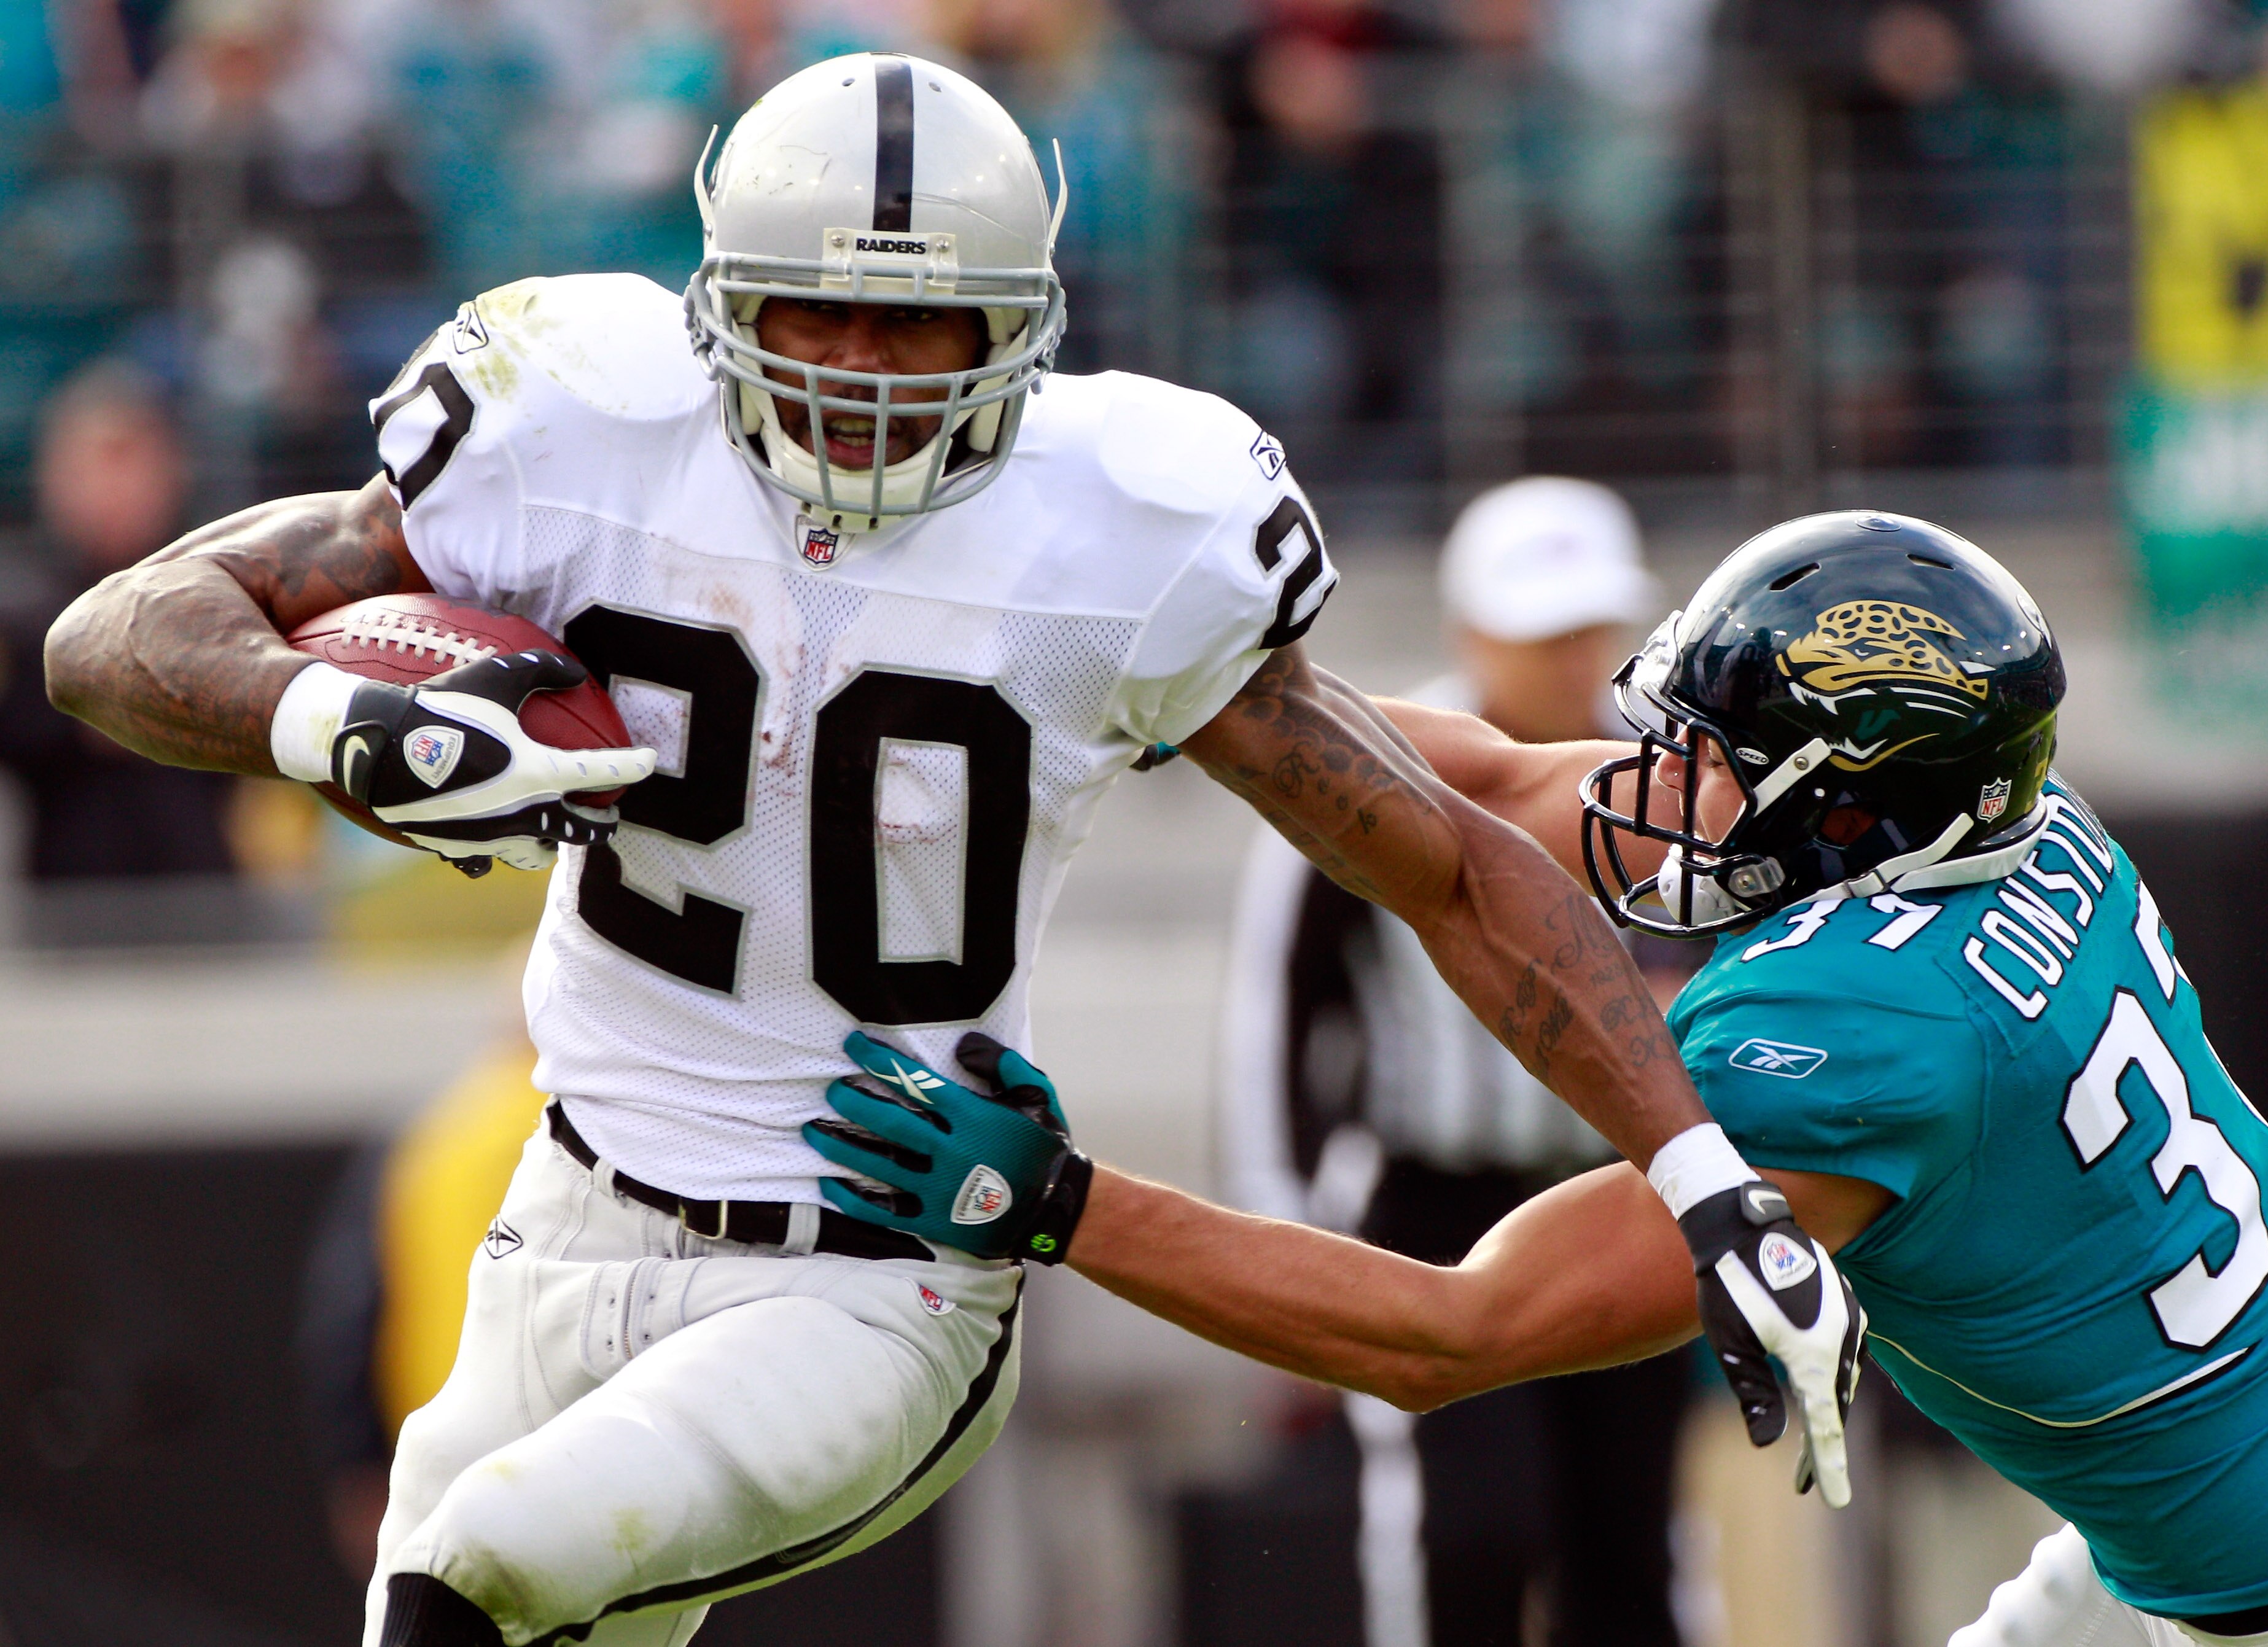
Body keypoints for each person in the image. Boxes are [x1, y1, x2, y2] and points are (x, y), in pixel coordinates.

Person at [41, 54, 1855, 1647]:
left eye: (921, 325)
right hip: (565, 1217)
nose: (865, 372)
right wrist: (332, 723)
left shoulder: (1127, 533)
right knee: (456, 1597)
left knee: (474, 1569)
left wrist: (1701, 1180)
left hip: (875, 1253)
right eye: (815, 316)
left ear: (1026, 334)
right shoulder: (567, 428)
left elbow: (1446, 864)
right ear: (715, 306)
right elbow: (123, 632)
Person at [808, 510, 2268, 1647]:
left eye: (1722, 760)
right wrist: (1159, 707)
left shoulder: (1863, 1039)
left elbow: (1448, 1334)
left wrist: (1064, 1204)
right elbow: (1506, 783)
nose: (1665, 786)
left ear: (1855, 812)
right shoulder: (2020, 827)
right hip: (2186, 1535)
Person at [1220, 475, 1683, 1647]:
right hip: (1430, 1202)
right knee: (1472, 1525)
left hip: (1621, 1198)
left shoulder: (1678, 786)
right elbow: (1277, 1017)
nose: (1568, 658)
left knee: (1627, 1542)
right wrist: (1293, 1244)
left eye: (1587, 627)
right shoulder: (1365, 768)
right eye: (1539, 631)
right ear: (1469, 632)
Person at [0, 363, 238, 884]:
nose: (116, 489)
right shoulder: (20, 608)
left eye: (133, 463)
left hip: (212, 900)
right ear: (54, 477)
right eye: (96, 465)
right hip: (66, 903)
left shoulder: (227, 590)